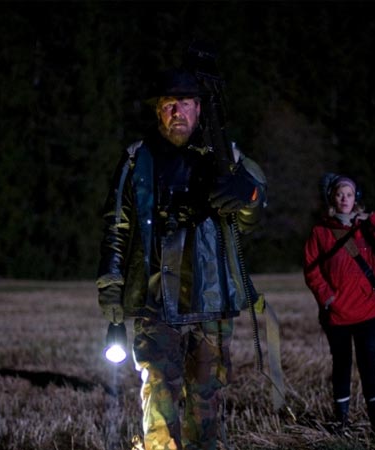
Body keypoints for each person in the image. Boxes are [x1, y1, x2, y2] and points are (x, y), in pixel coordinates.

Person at [95, 67, 267, 450]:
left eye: (185, 103)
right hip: (156, 299)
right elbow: (117, 226)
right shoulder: (137, 160)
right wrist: (111, 285)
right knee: (159, 394)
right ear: (158, 110)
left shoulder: (225, 157)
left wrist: (249, 195)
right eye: (169, 104)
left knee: (206, 398)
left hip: (212, 299)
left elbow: (250, 218)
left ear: (199, 108)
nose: (177, 112)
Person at [303, 173, 375, 435]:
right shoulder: (320, 231)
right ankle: (341, 419)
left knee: (369, 366)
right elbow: (311, 269)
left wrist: (373, 219)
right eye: (340, 194)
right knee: (341, 365)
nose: (345, 199)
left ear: (357, 198)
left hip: (368, 311)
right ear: (332, 198)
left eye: (349, 194)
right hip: (337, 315)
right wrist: (327, 297)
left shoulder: (366, 227)